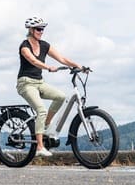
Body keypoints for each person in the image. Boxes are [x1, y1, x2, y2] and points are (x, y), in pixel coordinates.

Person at [17, 16, 85, 157]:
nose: (41, 31)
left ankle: (46, 125)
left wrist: (77, 65)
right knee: (41, 110)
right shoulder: (24, 46)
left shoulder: (44, 45)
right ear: (30, 30)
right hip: (26, 83)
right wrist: (48, 67)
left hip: (39, 82)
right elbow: (33, 61)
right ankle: (40, 147)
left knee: (60, 97)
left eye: (43, 29)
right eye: (38, 29)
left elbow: (62, 58)